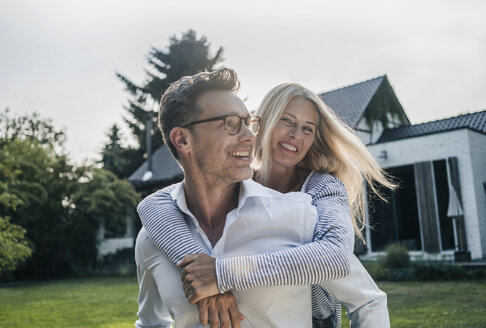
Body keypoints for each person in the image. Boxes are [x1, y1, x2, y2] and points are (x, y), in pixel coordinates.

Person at [138, 75, 395, 327]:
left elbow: (336, 259)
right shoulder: (169, 222)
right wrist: (197, 270)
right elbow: (153, 204)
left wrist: (221, 274)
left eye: (308, 129)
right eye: (287, 121)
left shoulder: (314, 198)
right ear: (264, 124)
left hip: (319, 316)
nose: (296, 135)